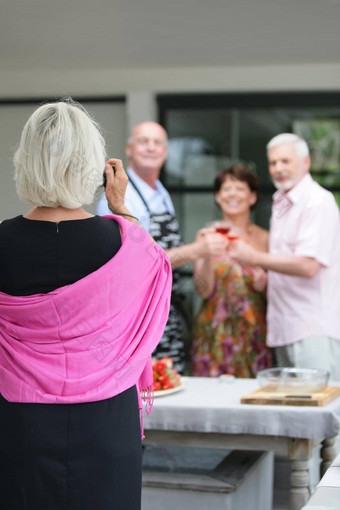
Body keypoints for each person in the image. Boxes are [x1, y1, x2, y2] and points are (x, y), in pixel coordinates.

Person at [0, 100, 172, 510]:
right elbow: (152, 273)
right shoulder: (125, 242)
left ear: (26, 160)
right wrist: (122, 209)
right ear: (92, 165)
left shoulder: (2, 242)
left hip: (19, 424)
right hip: (106, 423)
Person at [97, 121, 226, 373]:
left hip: (168, 311)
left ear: (166, 152)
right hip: (139, 315)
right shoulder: (117, 199)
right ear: (129, 150)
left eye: (157, 143)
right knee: (146, 390)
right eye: (143, 141)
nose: (151, 148)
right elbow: (135, 263)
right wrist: (196, 249)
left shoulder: (161, 193)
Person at [228, 133, 340, 380]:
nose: (278, 168)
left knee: (319, 412)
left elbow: (309, 265)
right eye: (273, 163)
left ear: (306, 162)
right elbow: (286, 262)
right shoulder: (281, 202)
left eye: (286, 161)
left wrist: (254, 257)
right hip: (282, 328)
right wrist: (268, 279)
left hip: (312, 330)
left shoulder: (317, 202)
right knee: (293, 412)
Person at [191, 165, 273, 377]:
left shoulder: (265, 238)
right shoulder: (206, 235)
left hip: (253, 333)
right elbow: (204, 291)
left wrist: (263, 287)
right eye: (226, 189)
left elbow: (279, 292)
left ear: (253, 197)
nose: (233, 194)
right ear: (218, 196)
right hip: (214, 334)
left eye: (240, 188)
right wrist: (208, 253)